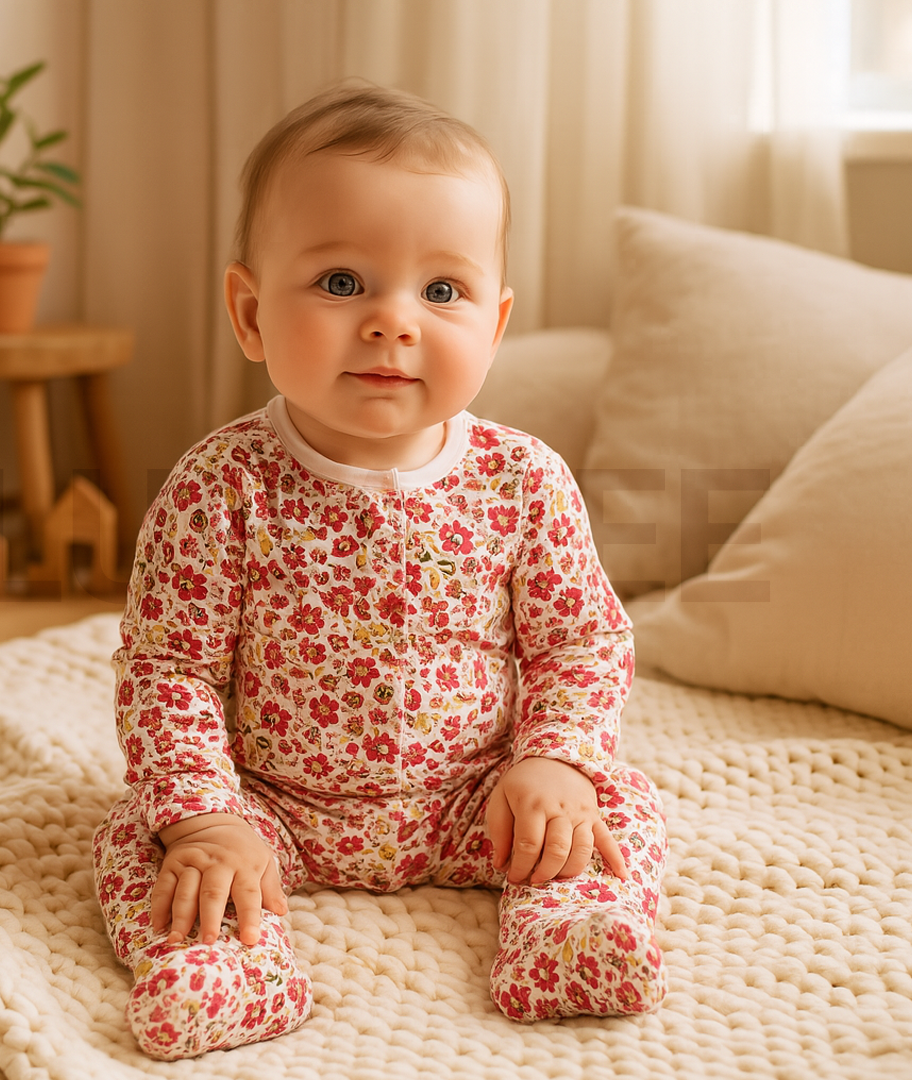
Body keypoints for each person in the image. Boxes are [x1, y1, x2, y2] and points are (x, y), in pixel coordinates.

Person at [93, 82, 667, 1061]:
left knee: (612, 803)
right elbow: (169, 673)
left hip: (478, 798)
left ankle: (567, 933)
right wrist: (205, 819)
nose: (393, 321)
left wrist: (551, 759)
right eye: (343, 282)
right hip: (274, 805)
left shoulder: (521, 479)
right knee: (136, 843)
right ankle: (231, 966)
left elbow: (578, 642)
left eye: (441, 292)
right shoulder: (220, 487)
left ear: (494, 322)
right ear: (250, 313)